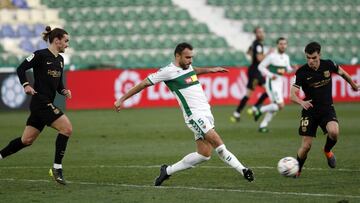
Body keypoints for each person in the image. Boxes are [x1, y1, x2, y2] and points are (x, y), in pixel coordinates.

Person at [114, 42, 254, 186]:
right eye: (187, 57)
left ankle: (167, 171)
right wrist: (121, 99)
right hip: (194, 116)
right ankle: (243, 169)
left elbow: (193, 71)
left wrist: (211, 70)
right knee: (219, 146)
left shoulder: (188, 67)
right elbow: (143, 83)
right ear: (178, 56)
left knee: (204, 155)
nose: (190, 60)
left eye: (192, 57)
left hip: (206, 112)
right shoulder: (167, 71)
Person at [0, 26, 72, 185]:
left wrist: (64, 90)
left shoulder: (60, 60)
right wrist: (26, 84)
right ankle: (57, 168)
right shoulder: (40, 55)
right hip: (40, 102)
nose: (67, 45)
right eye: (66, 41)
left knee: (26, 140)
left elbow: (58, 84)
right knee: (66, 128)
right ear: (57, 40)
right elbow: (21, 68)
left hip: (46, 103)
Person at [290, 42, 359, 177]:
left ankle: (327, 150)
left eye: (314, 57)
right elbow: (292, 94)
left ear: (319, 55)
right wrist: (301, 102)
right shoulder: (302, 72)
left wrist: (353, 84)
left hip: (327, 109)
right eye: (308, 58)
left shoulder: (328, 64)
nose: (311, 61)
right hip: (309, 111)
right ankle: (297, 168)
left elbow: (342, 73)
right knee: (306, 146)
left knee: (334, 132)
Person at [252, 37, 293, 133]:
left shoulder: (286, 57)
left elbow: (287, 69)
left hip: (280, 83)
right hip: (272, 82)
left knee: (275, 107)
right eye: (281, 44)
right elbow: (260, 67)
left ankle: (263, 126)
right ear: (277, 45)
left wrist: (293, 69)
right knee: (280, 105)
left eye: (284, 44)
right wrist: (270, 75)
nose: (283, 46)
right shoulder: (272, 56)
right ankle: (260, 110)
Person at [230, 26, 270, 122]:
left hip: (255, 71)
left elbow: (248, 52)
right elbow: (260, 58)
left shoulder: (254, 44)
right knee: (267, 90)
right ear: (255, 34)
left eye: (262, 32)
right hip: (255, 72)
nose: (261, 34)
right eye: (259, 32)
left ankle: (238, 113)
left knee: (265, 90)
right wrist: (269, 54)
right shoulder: (259, 45)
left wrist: (254, 54)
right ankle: (252, 109)